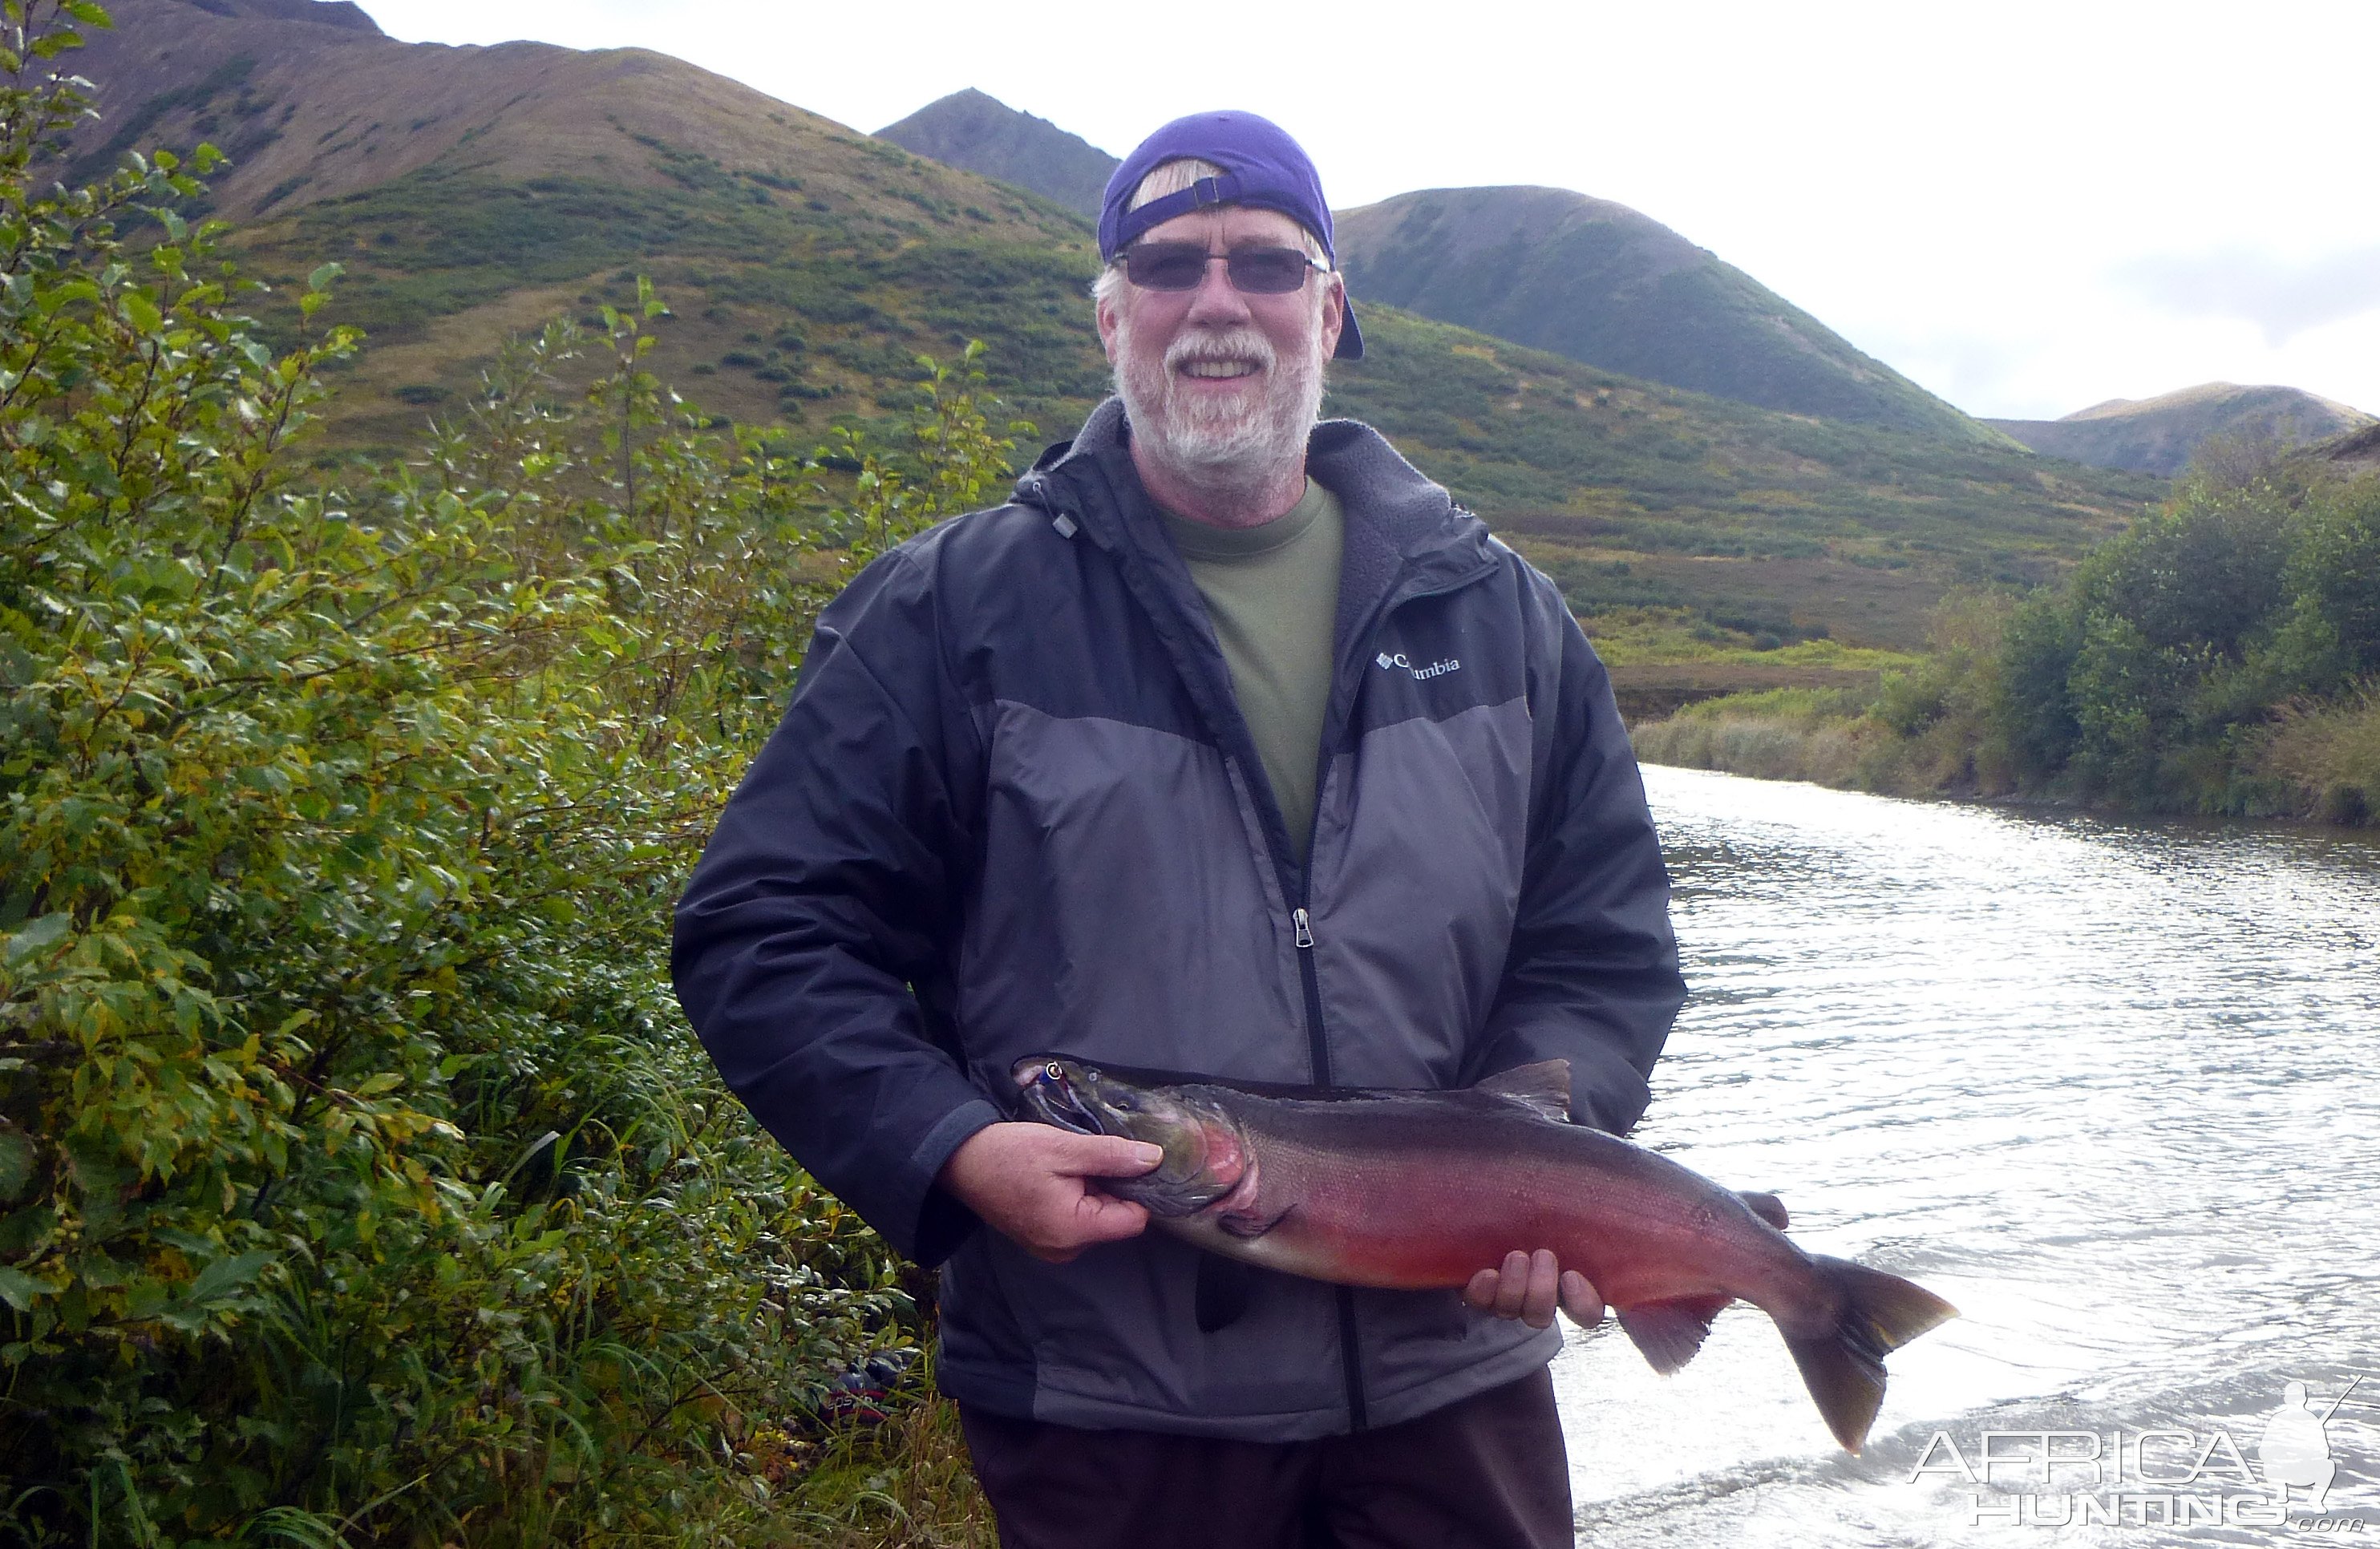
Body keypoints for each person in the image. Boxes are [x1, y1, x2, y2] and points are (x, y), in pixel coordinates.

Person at [672, 109, 1686, 1548]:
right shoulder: (951, 612)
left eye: (1266, 264)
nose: (1219, 303)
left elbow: (1605, 945)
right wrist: (952, 1148)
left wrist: (1547, 1156)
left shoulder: (1502, 614)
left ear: (1331, 310)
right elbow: (761, 933)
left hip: (1454, 1392)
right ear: (1110, 318)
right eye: (1168, 266)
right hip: (1110, 1412)